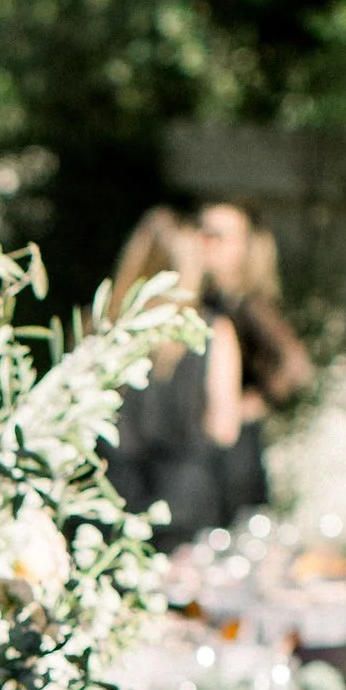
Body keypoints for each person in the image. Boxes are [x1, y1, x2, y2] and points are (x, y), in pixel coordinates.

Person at [104, 207, 242, 541]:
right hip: (186, 507)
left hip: (110, 501)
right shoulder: (213, 332)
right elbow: (224, 429)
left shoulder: (102, 328)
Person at [196, 199, 314, 527]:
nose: (205, 244)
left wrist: (251, 402)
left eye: (218, 236)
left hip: (233, 454)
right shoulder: (210, 297)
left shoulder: (244, 302)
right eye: (201, 232)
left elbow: (295, 363)